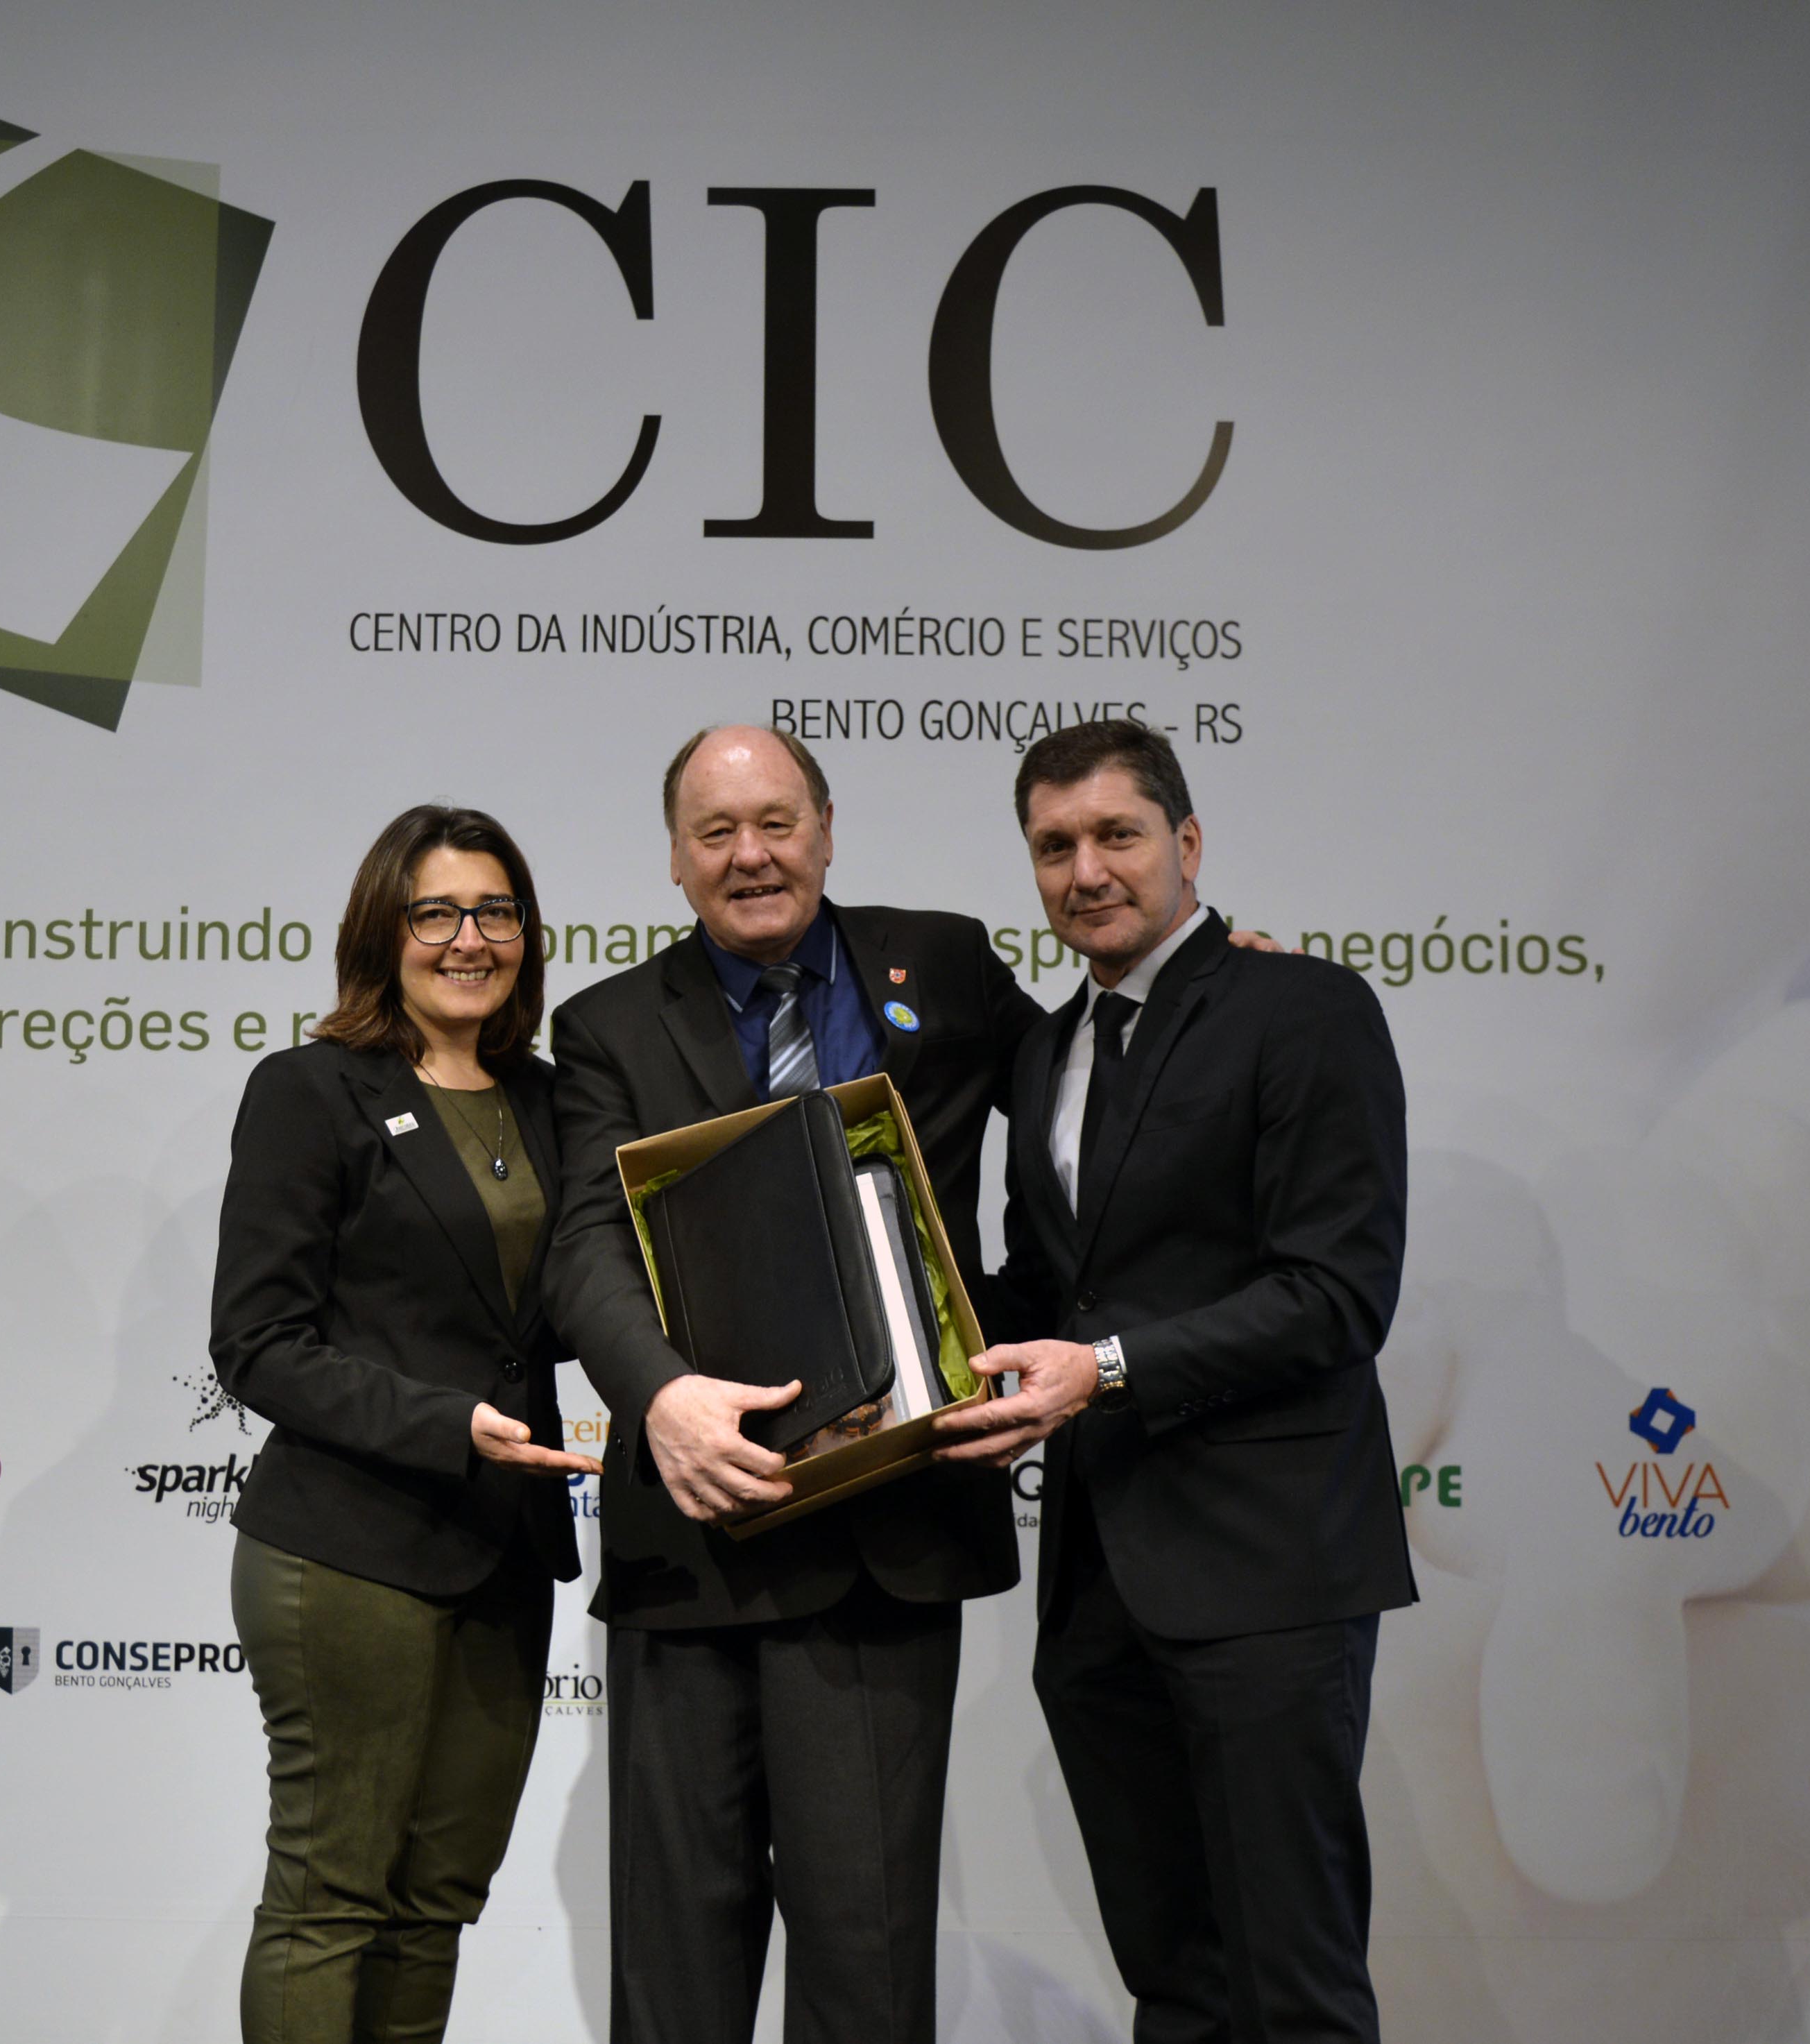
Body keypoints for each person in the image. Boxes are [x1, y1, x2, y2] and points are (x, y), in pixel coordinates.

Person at [543, 725, 1039, 2044]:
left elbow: (1078, 1098)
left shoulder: (940, 960)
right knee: (674, 1970)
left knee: (865, 1968)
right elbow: (584, 1242)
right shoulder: (602, 1026)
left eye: (776, 821)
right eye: (715, 831)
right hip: (695, 1530)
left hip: (886, 1542)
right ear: (673, 858)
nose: (750, 855)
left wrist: (1216, 984)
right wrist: (659, 1396)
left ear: (825, 827)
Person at [934, 719, 1417, 2044]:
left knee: (1293, 1985)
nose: (1085, 870)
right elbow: (1051, 1287)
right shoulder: (1045, 1051)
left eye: (1117, 834)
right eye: (1053, 846)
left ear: (1187, 842)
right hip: (1097, 1582)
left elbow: (1336, 1293)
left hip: (1266, 1573)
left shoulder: (1302, 1010)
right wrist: (898, 1348)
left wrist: (1099, 1370)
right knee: (1175, 1981)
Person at [210, 805, 603, 2044]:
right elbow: (257, 1341)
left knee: (435, 1902)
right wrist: (449, 1422)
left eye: (494, 911)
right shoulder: (310, 1090)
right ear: (383, 931)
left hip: (503, 1549)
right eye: (435, 911)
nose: (467, 938)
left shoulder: (551, 1099)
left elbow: (577, 1295)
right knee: (331, 1897)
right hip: (348, 1549)